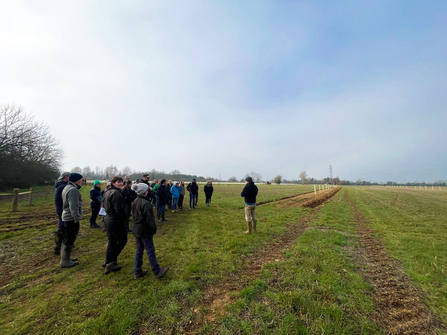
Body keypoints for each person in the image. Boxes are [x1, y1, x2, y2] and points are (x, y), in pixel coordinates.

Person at [131, 183, 169, 279]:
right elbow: (149, 219)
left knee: (139, 250)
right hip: (144, 230)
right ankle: (157, 271)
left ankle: (137, 271)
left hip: (136, 229)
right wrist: (153, 228)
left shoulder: (134, 201)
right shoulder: (146, 203)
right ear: (145, 192)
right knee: (150, 250)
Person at [103, 176, 128, 274]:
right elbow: (119, 209)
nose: (121, 183)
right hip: (115, 220)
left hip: (108, 219)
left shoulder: (107, 191)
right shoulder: (116, 193)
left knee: (112, 241)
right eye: (118, 182)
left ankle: (108, 261)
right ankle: (111, 262)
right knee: (122, 240)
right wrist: (124, 219)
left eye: (122, 182)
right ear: (113, 183)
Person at [60, 173, 84, 268]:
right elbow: (73, 205)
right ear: (76, 180)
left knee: (68, 237)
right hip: (71, 218)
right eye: (80, 180)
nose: (81, 182)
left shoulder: (67, 187)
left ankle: (66, 258)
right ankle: (65, 261)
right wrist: (76, 217)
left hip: (66, 216)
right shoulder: (73, 190)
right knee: (70, 238)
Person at [53, 172, 69, 255]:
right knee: (63, 227)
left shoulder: (60, 185)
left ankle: (59, 245)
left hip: (60, 209)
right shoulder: (63, 187)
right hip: (63, 209)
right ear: (66, 177)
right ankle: (59, 246)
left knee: (61, 226)